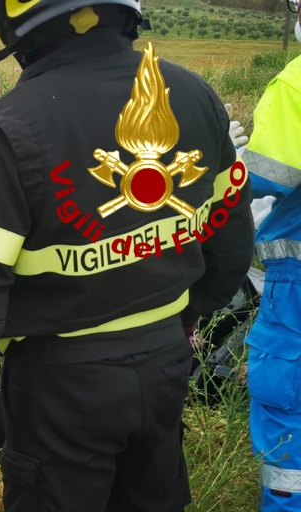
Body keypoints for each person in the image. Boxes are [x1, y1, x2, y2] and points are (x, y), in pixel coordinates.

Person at [0, 0, 255, 510]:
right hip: (166, 360)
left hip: (60, 384)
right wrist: (182, 317)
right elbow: (231, 233)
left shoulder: (9, 125)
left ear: (19, 29)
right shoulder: (194, 94)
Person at [242, 2, 301, 507]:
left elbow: (263, 177)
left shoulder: (298, 84)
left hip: (298, 289)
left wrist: (224, 156)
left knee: (291, 432)